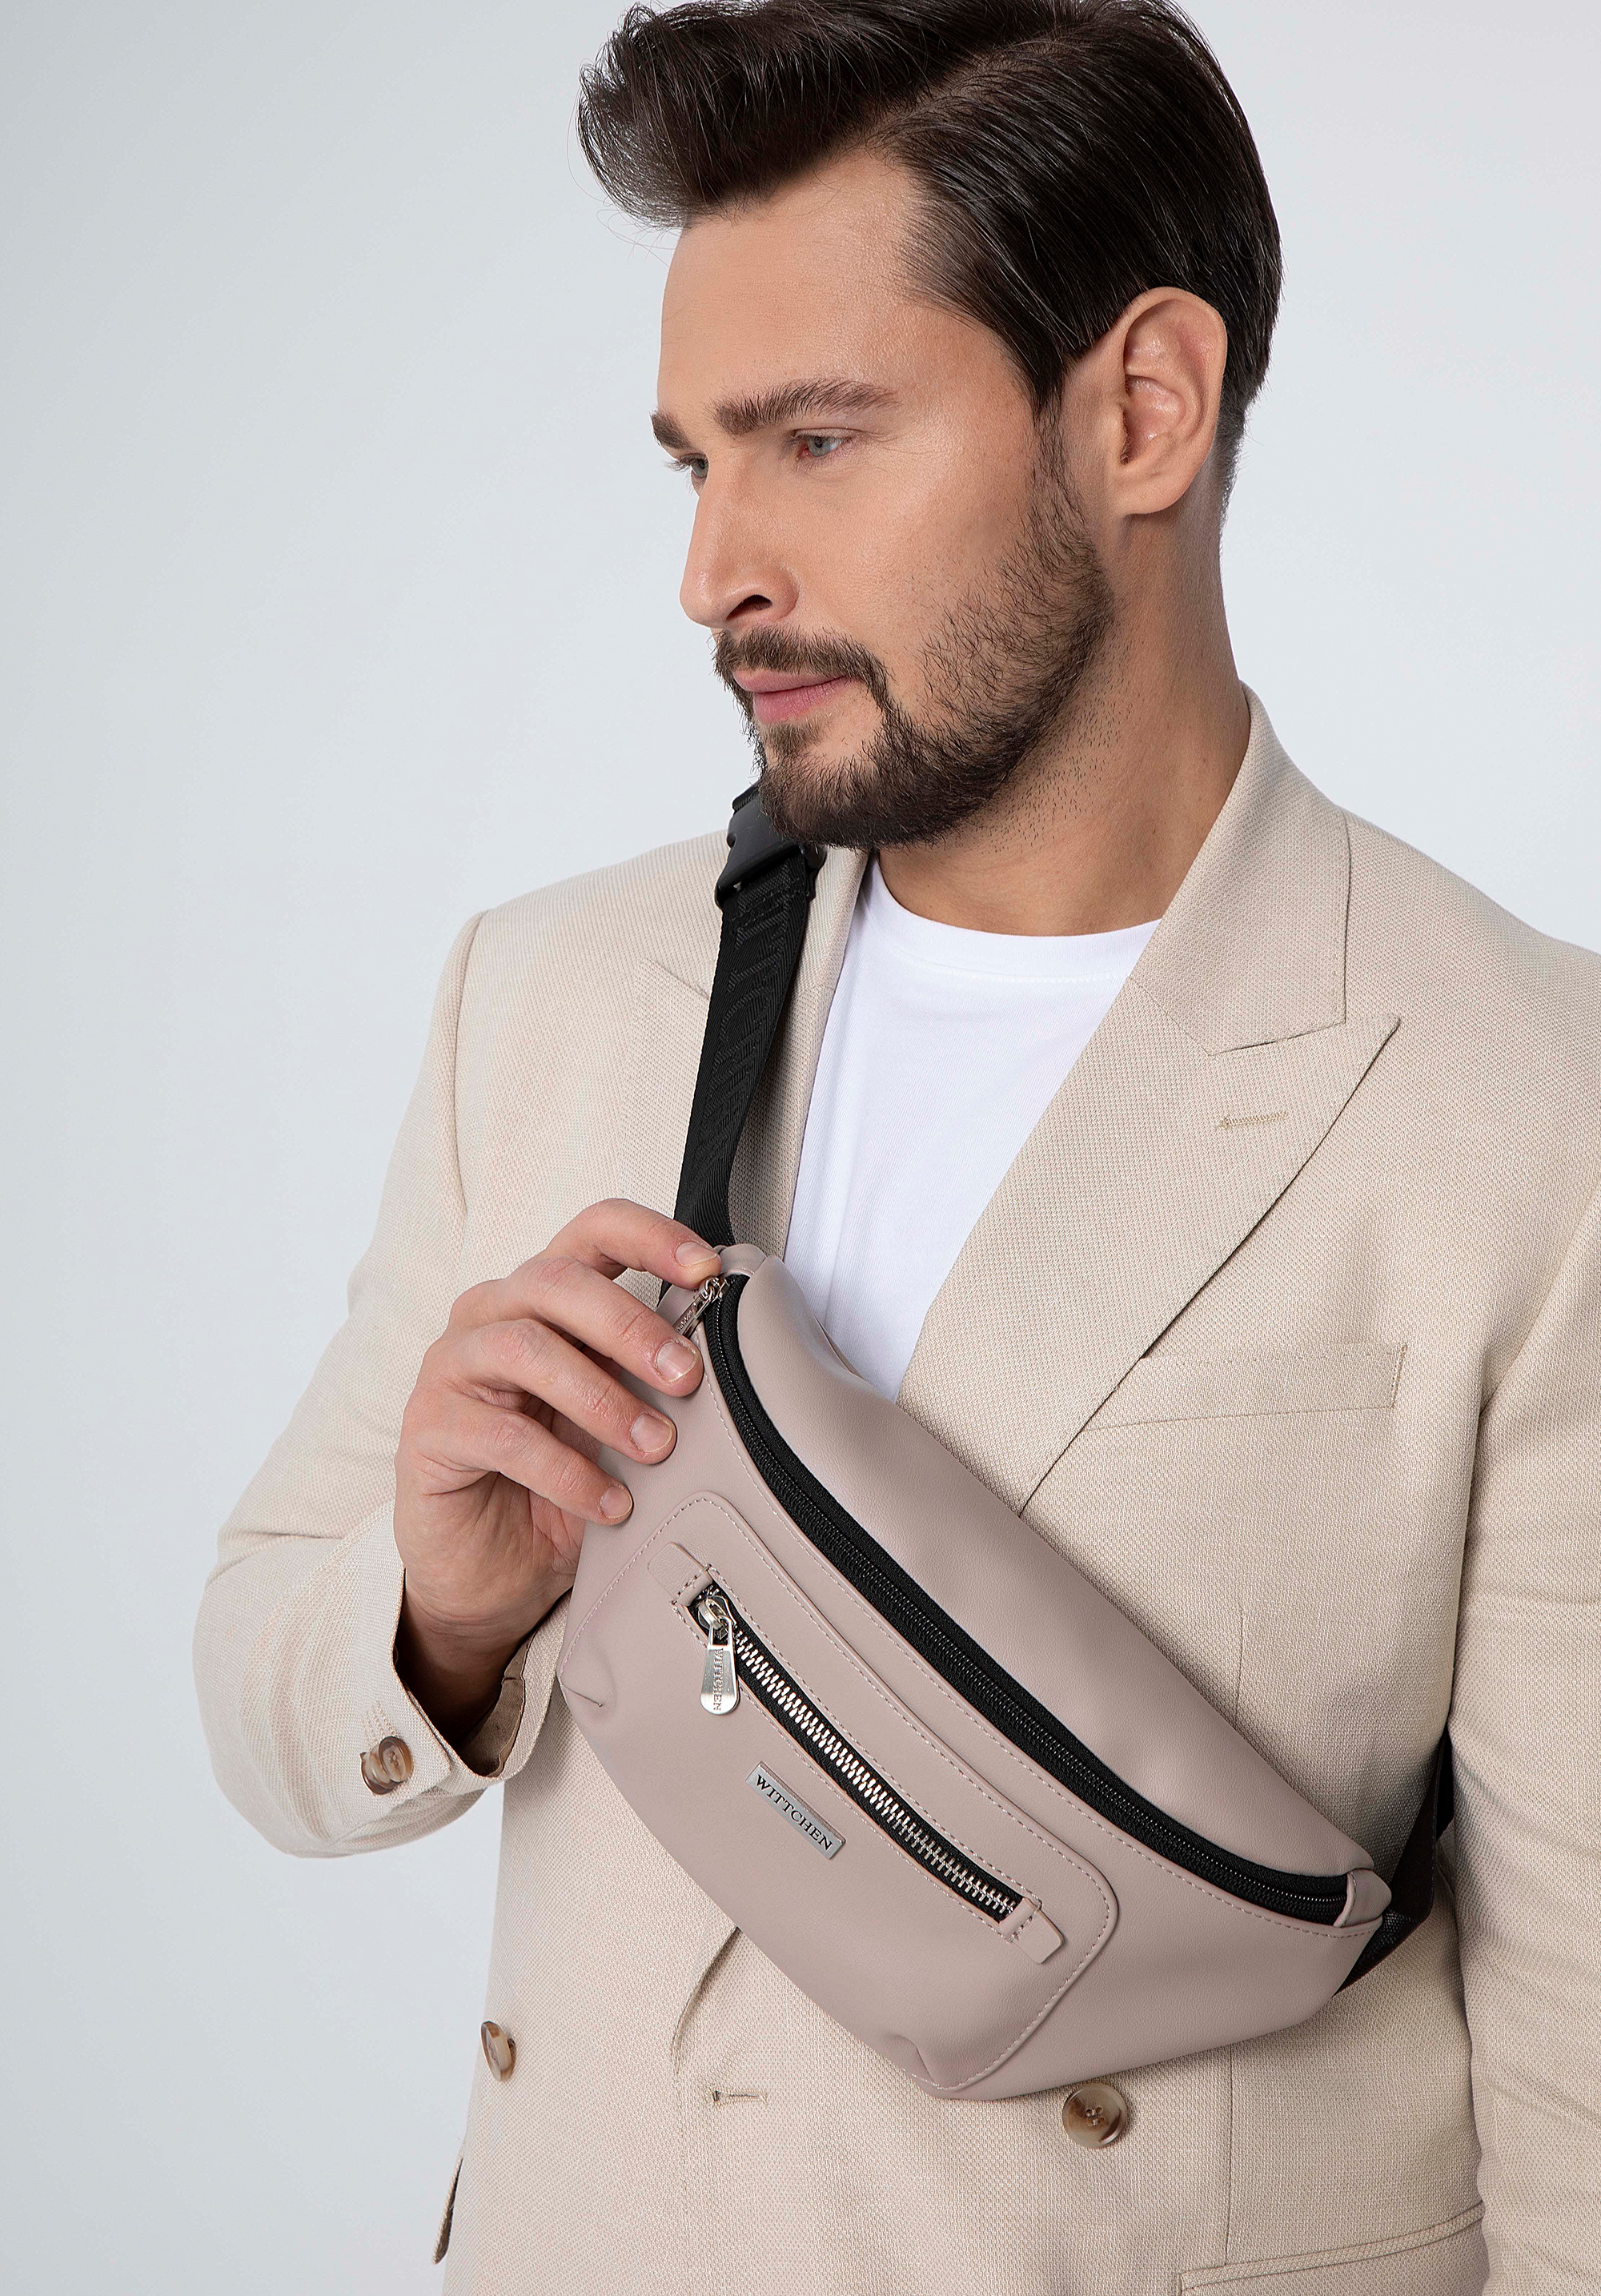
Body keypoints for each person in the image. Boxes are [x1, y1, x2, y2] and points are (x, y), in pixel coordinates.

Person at [192, 3, 1601, 2288]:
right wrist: (442, 1617)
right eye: (695, 462)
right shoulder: (552, 992)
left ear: (1143, 409)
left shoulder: (1532, 1103)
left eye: (818, 439)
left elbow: (1585, 2068)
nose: (713, 569)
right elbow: (265, 1683)